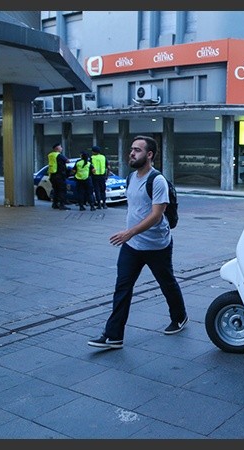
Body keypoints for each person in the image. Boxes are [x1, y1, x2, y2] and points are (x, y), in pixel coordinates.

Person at [88, 135, 188, 350]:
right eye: (131, 149)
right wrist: (130, 236)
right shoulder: (131, 177)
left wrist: (129, 232)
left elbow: (156, 215)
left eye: (137, 150)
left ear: (149, 155)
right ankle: (114, 336)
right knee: (122, 288)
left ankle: (179, 317)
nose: (131, 153)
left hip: (157, 246)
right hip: (132, 246)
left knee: (167, 283)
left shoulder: (157, 180)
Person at [47, 142, 70, 210]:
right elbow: (68, 161)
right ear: (57, 148)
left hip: (52, 175)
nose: (61, 148)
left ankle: (55, 204)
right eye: (60, 147)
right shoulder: (59, 155)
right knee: (62, 190)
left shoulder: (50, 155)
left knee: (56, 190)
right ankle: (62, 205)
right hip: (59, 175)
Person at [90, 145, 108, 209]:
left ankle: (99, 204)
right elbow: (108, 167)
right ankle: (104, 204)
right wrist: (107, 176)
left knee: (97, 190)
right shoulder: (103, 157)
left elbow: (90, 167)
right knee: (103, 190)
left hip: (95, 176)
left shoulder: (92, 158)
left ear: (94, 152)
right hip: (102, 176)